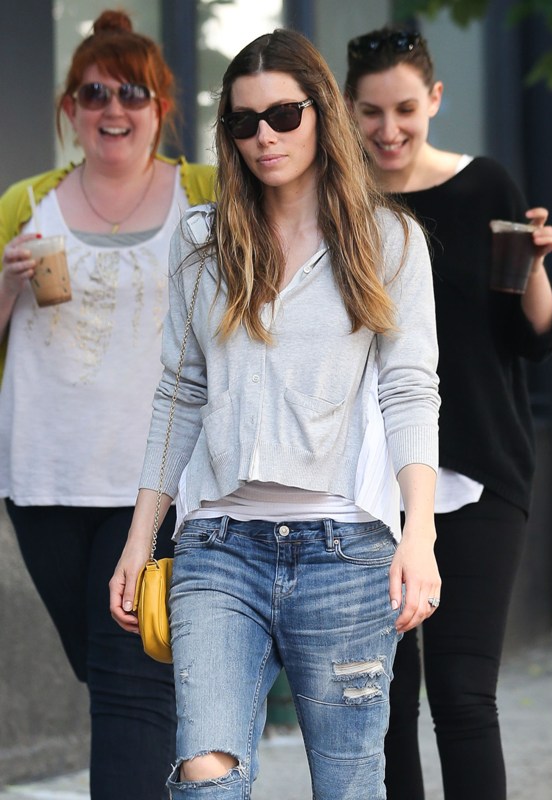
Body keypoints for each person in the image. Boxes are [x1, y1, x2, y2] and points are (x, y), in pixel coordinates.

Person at [110, 27, 441, 800]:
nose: (265, 136)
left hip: (346, 551)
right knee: (206, 772)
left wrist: (420, 533)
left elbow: (409, 391)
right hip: (218, 549)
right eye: (244, 121)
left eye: (284, 115)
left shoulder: (388, 240)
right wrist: (139, 538)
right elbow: (179, 393)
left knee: (348, 786)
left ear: (322, 113)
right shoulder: (201, 242)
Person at [344, 25, 552, 800]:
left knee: (464, 698)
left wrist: (534, 268)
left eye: (405, 109)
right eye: (371, 112)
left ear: (435, 99)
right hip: (370, 480)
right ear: (348, 109)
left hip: (480, 468)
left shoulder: (485, 187)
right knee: (384, 706)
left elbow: (531, 339)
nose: (389, 130)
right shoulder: (339, 203)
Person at [0, 10, 215, 800]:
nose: (113, 109)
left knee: (130, 680)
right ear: (70, 109)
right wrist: (5, 286)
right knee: (107, 668)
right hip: (45, 481)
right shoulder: (26, 204)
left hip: (159, 483)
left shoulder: (205, 195)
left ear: (162, 107)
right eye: (94, 93)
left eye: (132, 92)